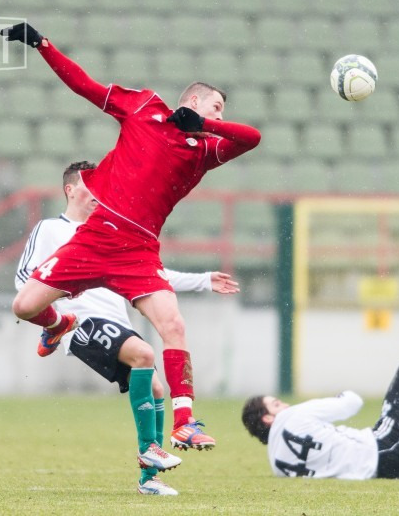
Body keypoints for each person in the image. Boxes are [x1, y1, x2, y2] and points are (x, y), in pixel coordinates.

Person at [1, 23, 261, 450]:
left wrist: (205, 125)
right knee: (24, 306)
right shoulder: (144, 106)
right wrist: (43, 45)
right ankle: (58, 324)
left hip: (139, 250)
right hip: (97, 236)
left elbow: (252, 138)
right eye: (215, 108)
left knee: (173, 324)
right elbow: (84, 86)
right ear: (193, 99)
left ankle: (184, 421)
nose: (220, 118)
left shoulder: (204, 150)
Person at [16, 161, 240, 495]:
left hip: (117, 323)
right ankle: (150, 450)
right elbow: (25, 279)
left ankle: (149, 479)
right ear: (70, 190)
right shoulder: (50, 230)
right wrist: (54, 313)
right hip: (82, 322)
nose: (99, 194)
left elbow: (149, 274)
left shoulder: (112, 230)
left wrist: (203, 281)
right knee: (144, 353)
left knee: (156, 389)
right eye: (91, 187)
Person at [242, 361, 399, 481]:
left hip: (376, 468)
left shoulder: (277, 465)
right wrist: (339, 395)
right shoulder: (292, 415)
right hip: (381, 451)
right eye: (276, 404)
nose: (284, 405)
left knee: (388, 457)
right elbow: (353, 403)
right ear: (268, 418)